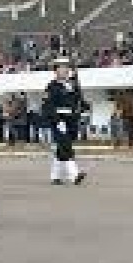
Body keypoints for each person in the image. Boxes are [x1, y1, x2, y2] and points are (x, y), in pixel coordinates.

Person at [45, 58, 87, 186]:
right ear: (56, 71)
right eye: (62, 68)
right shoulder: (52, 86)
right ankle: (74, 175)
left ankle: (55, 176)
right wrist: (57, 121)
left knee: (61, 148)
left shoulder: (72, 85)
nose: (65, 70)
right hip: (59, 119)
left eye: (66, 68)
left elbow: (79, 100)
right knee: (66, 146)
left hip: (71, 119)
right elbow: (49, 105)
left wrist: (84, 109)